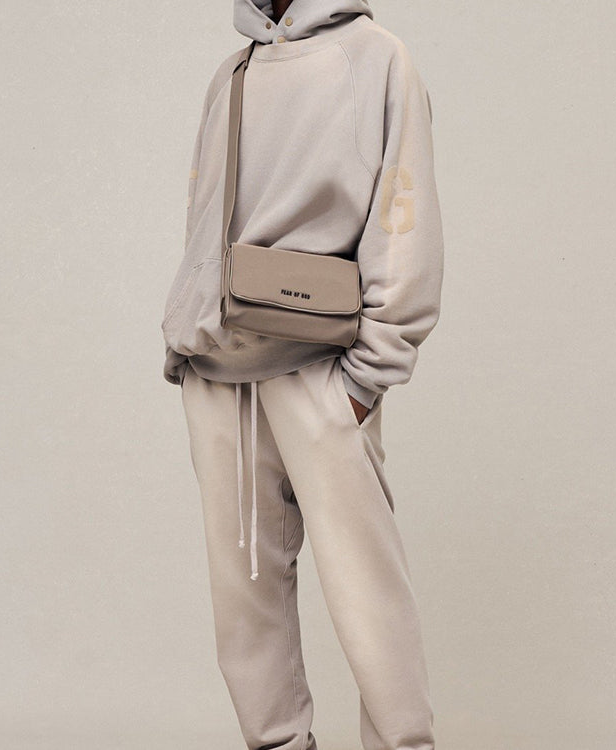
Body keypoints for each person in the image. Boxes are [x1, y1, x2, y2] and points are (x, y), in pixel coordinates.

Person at [161, 1, 444, 748]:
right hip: (219, 371)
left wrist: (365, 380)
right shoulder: (233, 71)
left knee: (367, 596)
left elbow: (404, 216)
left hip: (320, 367)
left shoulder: (377, 57)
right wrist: (185, 338)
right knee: (243, 600)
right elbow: (205, 217)